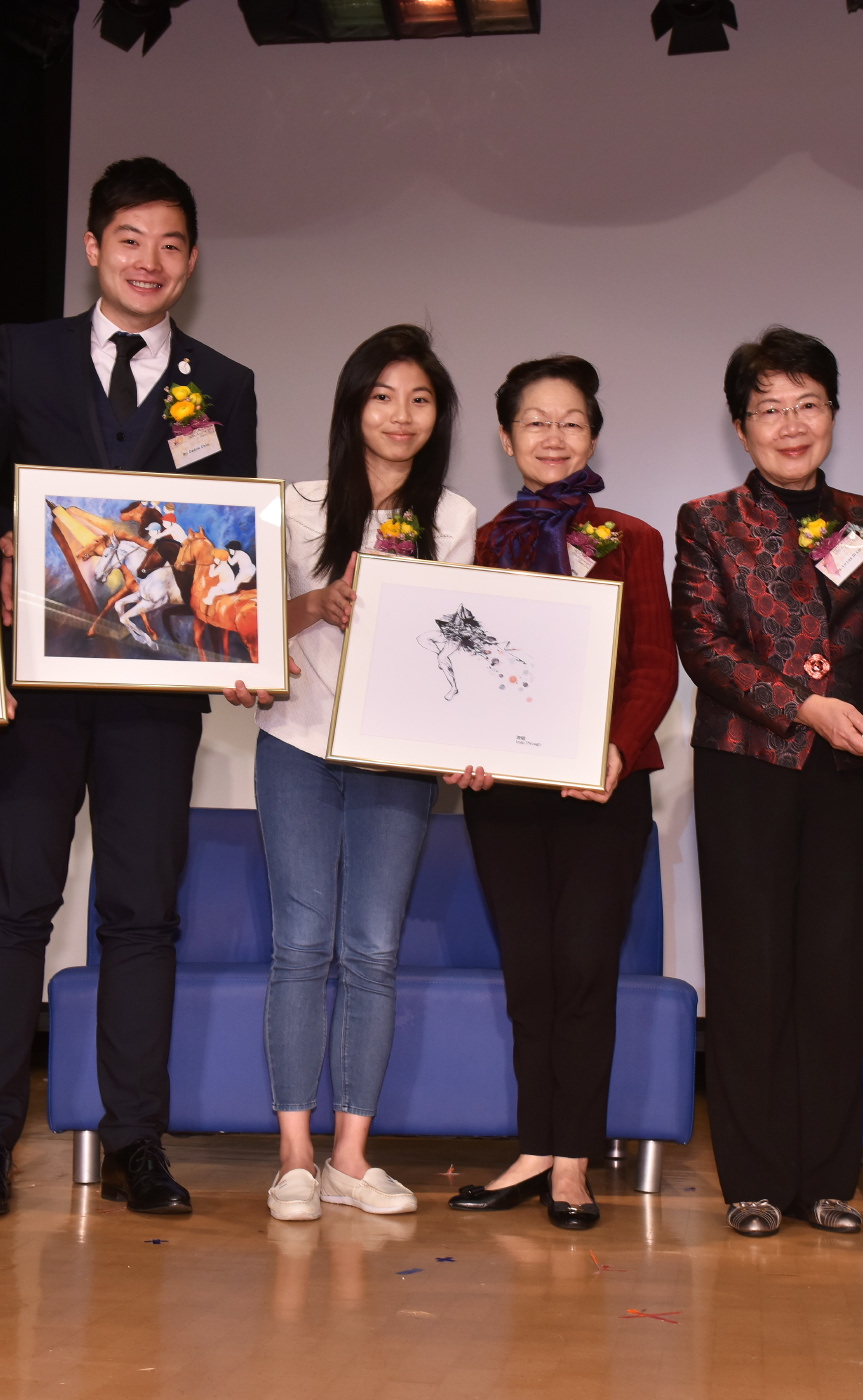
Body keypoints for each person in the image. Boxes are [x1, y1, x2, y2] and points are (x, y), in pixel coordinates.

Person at [0, 157, 258, 1220]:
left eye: (171, 244)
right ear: (93, 247)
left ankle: (138, 1141)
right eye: (130, 240)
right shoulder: (21, 354)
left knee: (142, 916)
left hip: (153, 696)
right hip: (36, 687)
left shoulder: (223, 382)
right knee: (11, 908)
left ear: (193, 260)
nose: (150, 262)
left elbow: (226, 553)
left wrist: (242, 643)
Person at [225, 325, 477, 1222]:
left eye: (419, 399)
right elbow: (245, 623)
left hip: (396, 759)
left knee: (372, 952)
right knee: (302, 946)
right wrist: (315, 604)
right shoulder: (291, 504)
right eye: (382, 396)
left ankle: (352, 1157)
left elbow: (455, 639)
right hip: (295, 743)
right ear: (352, 405)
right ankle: (293, 1156)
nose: (400, 415)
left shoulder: (452, 518)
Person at [672, 327, 863, 1239]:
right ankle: (755, 1179)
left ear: (834, 415)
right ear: (742, 427)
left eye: (808, 404)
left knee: (836, 970)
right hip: (747, 767)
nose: (791, 424)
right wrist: (802, 705)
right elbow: (705, 646)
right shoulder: (707, 522)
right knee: (750, 971)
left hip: (851, 772)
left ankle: (827, 1180)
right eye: (769, 408)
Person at [444, 356, 676, 1232]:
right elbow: (460, 667)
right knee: (528, 974)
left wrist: (614, 750)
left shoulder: (631, 539)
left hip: (600, 790)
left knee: (584, 970)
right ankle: (535, 1147)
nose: (553, 436)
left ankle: (574, 1160)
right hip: (504, 790)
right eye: (535, 422)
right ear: (506, 440)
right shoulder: (477, 546)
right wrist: (453, 745)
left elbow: (655, 664)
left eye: (571, 420)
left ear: (593, 434)